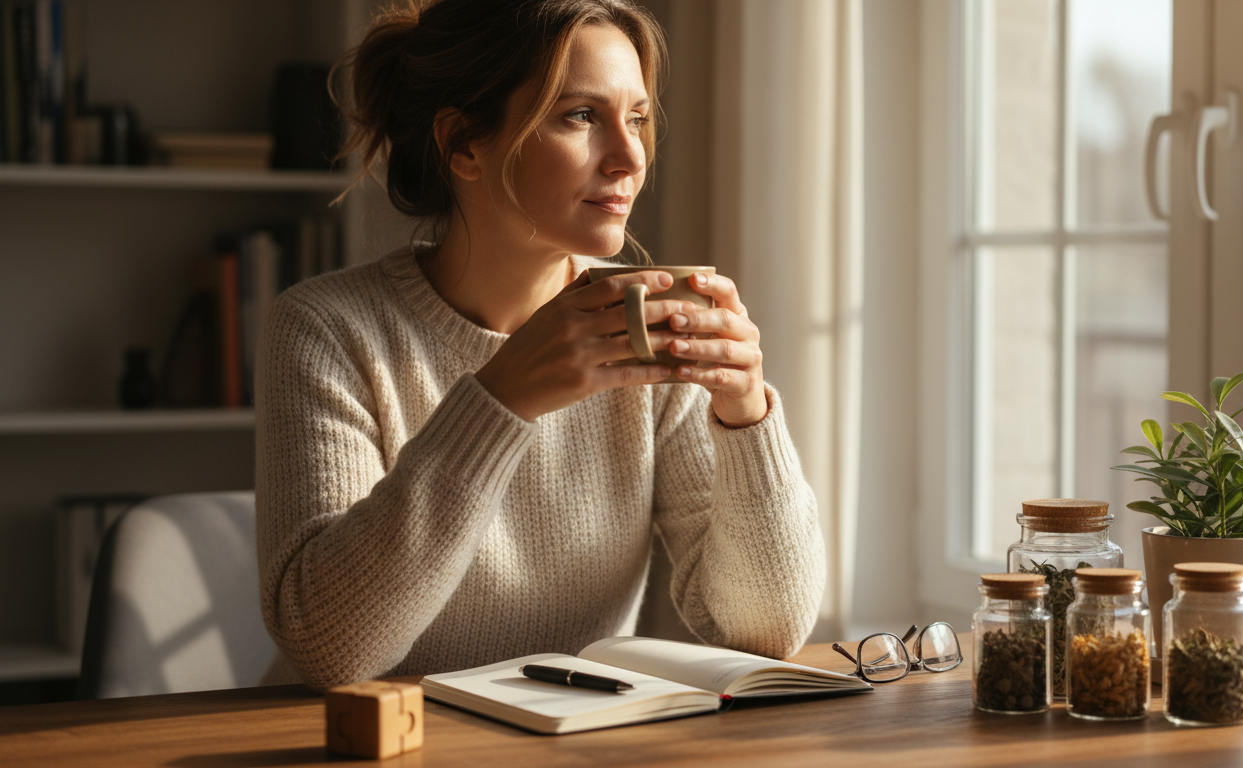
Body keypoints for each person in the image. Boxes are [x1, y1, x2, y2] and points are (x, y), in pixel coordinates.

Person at [255, 0, 824, 690]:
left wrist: (746, 415)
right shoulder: (326, 329)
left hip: (570, 741)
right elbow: (328, 647)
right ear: (465, 144)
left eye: (638, 117)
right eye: (580, 115)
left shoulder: (647, 326)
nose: (631, 156)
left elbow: (765, 632)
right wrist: (501, 398)